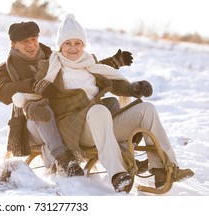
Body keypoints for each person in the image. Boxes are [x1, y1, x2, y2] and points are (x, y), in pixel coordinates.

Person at [15, 13, 194, 192]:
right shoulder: (50, 66)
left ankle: (163, 169)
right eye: (68, 43)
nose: (73, 48)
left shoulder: (90, 63)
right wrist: (32, 104)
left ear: (83, 45)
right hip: (74, 129)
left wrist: (134, 88)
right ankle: (118, 174)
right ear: (60, 45)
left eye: (77, 43)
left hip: (101, 123)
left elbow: (114, 83)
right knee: (99, 110)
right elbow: (36, 91)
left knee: (146, 109)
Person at [0, 20, 133, 178]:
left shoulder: (51, 56)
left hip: (62, 115)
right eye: (25, 41)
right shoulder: (7, 68)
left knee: (110, 103)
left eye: (33, 39)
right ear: (13, 44)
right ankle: (65, 159)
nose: (31, 45)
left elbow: (77, 65)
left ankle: (122, 153)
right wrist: (34, 85)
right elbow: (2, 93)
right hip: (32, 123)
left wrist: (111, 63)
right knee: (41, 110)